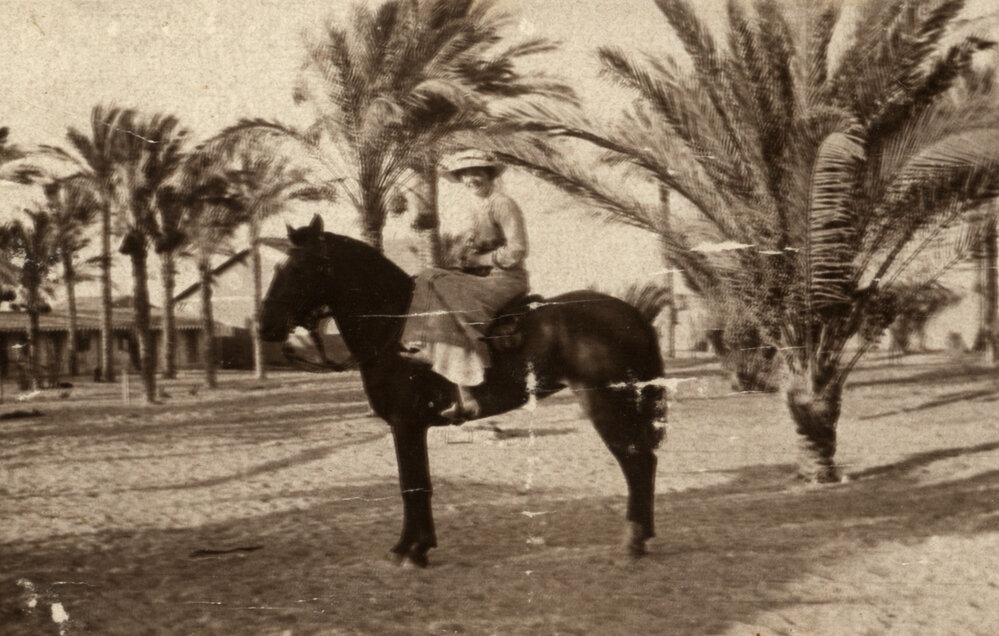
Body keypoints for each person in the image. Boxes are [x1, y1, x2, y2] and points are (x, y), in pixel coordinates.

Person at [402, 149, 530, 420]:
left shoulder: (502, 203)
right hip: (479, 277)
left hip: (504, 278)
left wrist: (481, 258)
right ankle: (428, 350)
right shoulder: (472, 208)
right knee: (427, 277)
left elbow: (517, 249)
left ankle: (470, 382)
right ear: (460, 179)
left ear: (490, 175)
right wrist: (463, 259)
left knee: (441, 286)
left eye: (477, 172)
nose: (471, 178)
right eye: (465, 174)